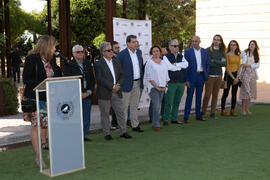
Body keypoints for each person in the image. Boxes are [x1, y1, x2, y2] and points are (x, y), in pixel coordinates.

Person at [23, 35, 62, 167]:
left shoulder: (51, 60)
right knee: (36, 126)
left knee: (51, 125)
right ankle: (38, 157)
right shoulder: (31, 59)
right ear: (47, 46)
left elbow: (56, 75)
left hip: (50, 98)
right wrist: (43, 84)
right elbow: (26, 79)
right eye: (54, 46)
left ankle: (53, 153)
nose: (55, 48)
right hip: (35, 98)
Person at [94, 42, 132, 140]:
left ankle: (123, 131)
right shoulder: (98, 64)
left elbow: (122, 75)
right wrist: (112, 87)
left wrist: (118, 85)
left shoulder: (116, 61)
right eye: (109, 50)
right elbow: (100, 78)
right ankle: (107, 133)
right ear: (103, 52)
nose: (111, 52)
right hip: (104, 92)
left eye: (111, 50)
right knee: (105, 114)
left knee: (120, 112)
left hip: (117, 91)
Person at [64, 45, 95, 141]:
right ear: (73, 54)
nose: (81, 53)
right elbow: (67, 82)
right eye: (78, 52)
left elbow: (92, 80)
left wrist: (89, 92)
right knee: (75, 117)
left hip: (87, 94)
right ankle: (75, 135)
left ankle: (84, 135)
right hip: (75, 96)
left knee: (86, 116)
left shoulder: (87, 63)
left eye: (82, 52)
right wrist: (78, 93)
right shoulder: (69, 65)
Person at [117, 35, 144, 132]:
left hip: (137, 83)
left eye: (136, 41)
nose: (136, 43)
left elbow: (141, 67)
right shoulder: (122, 55)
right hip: (126, 84)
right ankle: (123, 129)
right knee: (124, 107)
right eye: (133, 42)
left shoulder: (139, 53)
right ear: (128, 43)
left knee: (134, 106)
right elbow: (118, 70)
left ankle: (135, 125)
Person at [183, 36, 210, 123]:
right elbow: (185, 67)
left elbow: (207, 64)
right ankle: (186, 116)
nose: (194, 43)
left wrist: (205, 75)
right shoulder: (188, 52)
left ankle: (198, 115)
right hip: (191, 77)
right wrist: (186, 79)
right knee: (189, 97)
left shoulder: (205, 51)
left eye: (196, 41)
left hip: (201, 76)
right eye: (193, 41)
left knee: (199, 97)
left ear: (200, 41)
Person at [162, 39, 188, 125]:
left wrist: (176, 65)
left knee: (177, 101)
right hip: (171, 82)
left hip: (181, 82)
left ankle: (174, 118)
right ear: (169, 47)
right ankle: (165, 119)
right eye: (174, 46)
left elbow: (186, 65)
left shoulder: (181, 56)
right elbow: (169, 67)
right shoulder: (166, 57)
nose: (177, 47)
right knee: (168, 102)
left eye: (178, 46)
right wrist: (180, 66)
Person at [144, 45, 169, 131]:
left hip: (162, 87)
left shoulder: (163, 62)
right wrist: (157, 87)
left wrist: (165, 86)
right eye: (154, 51)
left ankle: (153, 120)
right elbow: (149, 77)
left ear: (160, 52)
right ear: (151, 53)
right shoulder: (149, 62)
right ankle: (156, 124)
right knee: (156, 106)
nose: (156, 53)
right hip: (153, 87)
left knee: (155, 105)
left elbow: (166, 76)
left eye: (157, 51)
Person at [201, 34, 227, 119]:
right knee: (207, 95)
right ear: (213, 40)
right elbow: (208, 63)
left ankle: (212, 113)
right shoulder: (208, 50)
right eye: (215, 39)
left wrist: (214, 61)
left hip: (219, 76)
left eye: (218, 39)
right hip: (210, 76)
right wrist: (218, 62)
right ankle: (203, 111)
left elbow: (224, 63)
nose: (216, 41)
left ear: (220, 41)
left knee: (215, 95)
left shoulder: (222, 51)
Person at [221, 40, 241, 116]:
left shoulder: (238, 55)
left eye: (234, 45)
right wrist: (233, 78)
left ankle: (232, 110)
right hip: (228, 76)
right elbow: (227, 67)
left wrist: (237, 77)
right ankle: (223, 110)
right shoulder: (227, 55)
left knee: (234, 94)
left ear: (236, 46)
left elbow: (239, 67)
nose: (233, 46)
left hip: (236, 76)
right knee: (225, 93)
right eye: (231, 45)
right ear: (229, 46)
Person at [239, 40, 260, 115]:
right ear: (249, 45)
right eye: (250, 44)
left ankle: (247, 109)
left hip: (253, 75)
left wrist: (249, 65)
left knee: (250, 92)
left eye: (253, 44)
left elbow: (257, 65)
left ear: (255, 46)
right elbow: (240, 61)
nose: (252, 46)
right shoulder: (244, 52)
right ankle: (243, 110)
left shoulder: (256, 55)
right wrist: (243, 64)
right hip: (245, 74)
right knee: (245, 91)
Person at [110, 41, 120, 129]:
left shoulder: (119, 58)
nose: (118, 49)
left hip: (119, 84)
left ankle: (117, 123)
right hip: (112, 86)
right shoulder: (110, 59)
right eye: (116, 48)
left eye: (118, 48)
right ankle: (114, 123)